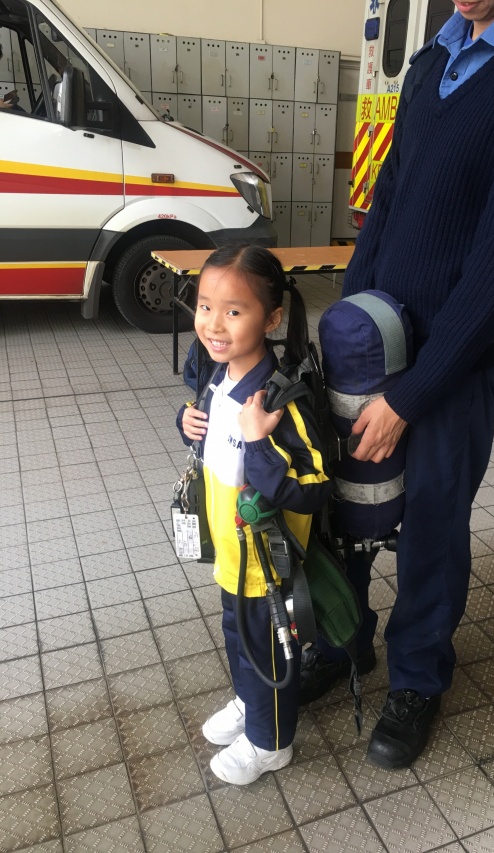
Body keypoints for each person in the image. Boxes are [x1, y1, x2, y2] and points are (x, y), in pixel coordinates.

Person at [299, 0, 494, 769]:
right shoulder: (435, 56)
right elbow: (389, 197)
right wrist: (351, 323)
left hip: (451, 362)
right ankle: (342, 641)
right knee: (348, 503)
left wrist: (412, 393)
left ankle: (417, 678)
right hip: (373, 341)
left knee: (433, 525)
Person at [176, 244, 332, 785]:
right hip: (231, 553)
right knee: (239, 636)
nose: (214, 324)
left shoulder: (281, 399)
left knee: (267, 650)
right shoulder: (215, 376)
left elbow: (313, 487)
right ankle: (250, 702)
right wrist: (186, 423)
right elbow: (214, 440)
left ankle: (271, 743)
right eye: (205, 306)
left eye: (234, 311)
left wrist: (261, 444)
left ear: (272, 319)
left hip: (268, 564)